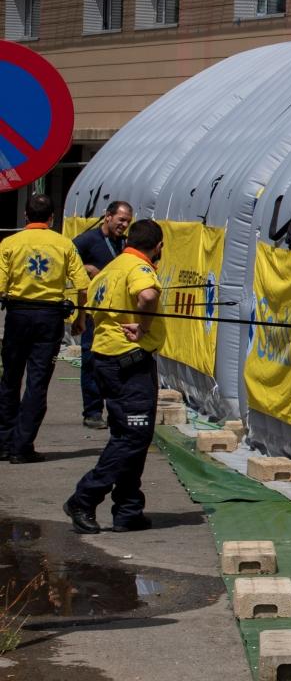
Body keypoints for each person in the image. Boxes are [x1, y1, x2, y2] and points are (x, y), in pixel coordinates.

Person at [64, 218, 164, 533]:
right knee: (133, 435)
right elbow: (147, 296)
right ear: (158, 246)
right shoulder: (139, 267)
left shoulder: (111, 267)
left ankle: (128, 509)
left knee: (129, 433)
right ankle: (84, 497)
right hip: (129, 365)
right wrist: (144, 326)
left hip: (106, 361)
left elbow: (91, 305)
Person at [1, 194, 89, 463]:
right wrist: (80, 318)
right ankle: (22, 446)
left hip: (18, 314)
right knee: (37, 383)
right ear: (52, 218)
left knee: (10, 379)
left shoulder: (9, 243)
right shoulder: (64, 245)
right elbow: (83, 286)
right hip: (49, 317)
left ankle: (4, 442)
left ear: (26, 216)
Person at [73, 201, 132, 429]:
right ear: (108, 217)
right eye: (121, 220)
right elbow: (68, 258)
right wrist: (87, 269)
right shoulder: (88, 240)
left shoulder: (124, 243)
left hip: (119, 312)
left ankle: (117, 411)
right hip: (94, 311)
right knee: (91, 360)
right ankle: (93, 411)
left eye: (127, 221)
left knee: (120, 361)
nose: (124, 225)